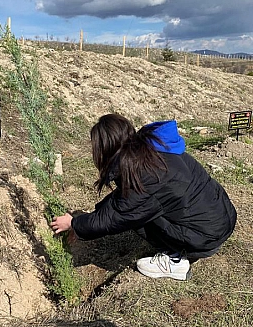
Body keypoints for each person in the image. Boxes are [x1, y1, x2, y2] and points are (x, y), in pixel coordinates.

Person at [50, 114, 237, 280]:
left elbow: (118, 214)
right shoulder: (151, 150)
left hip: (206, 237)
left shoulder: (148, 174)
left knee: (137, 218)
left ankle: (176, 260)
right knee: (139, 209)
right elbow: (123, 200)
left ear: (106, 149)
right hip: (219, 217)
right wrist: (89, 216)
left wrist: (75, 224)